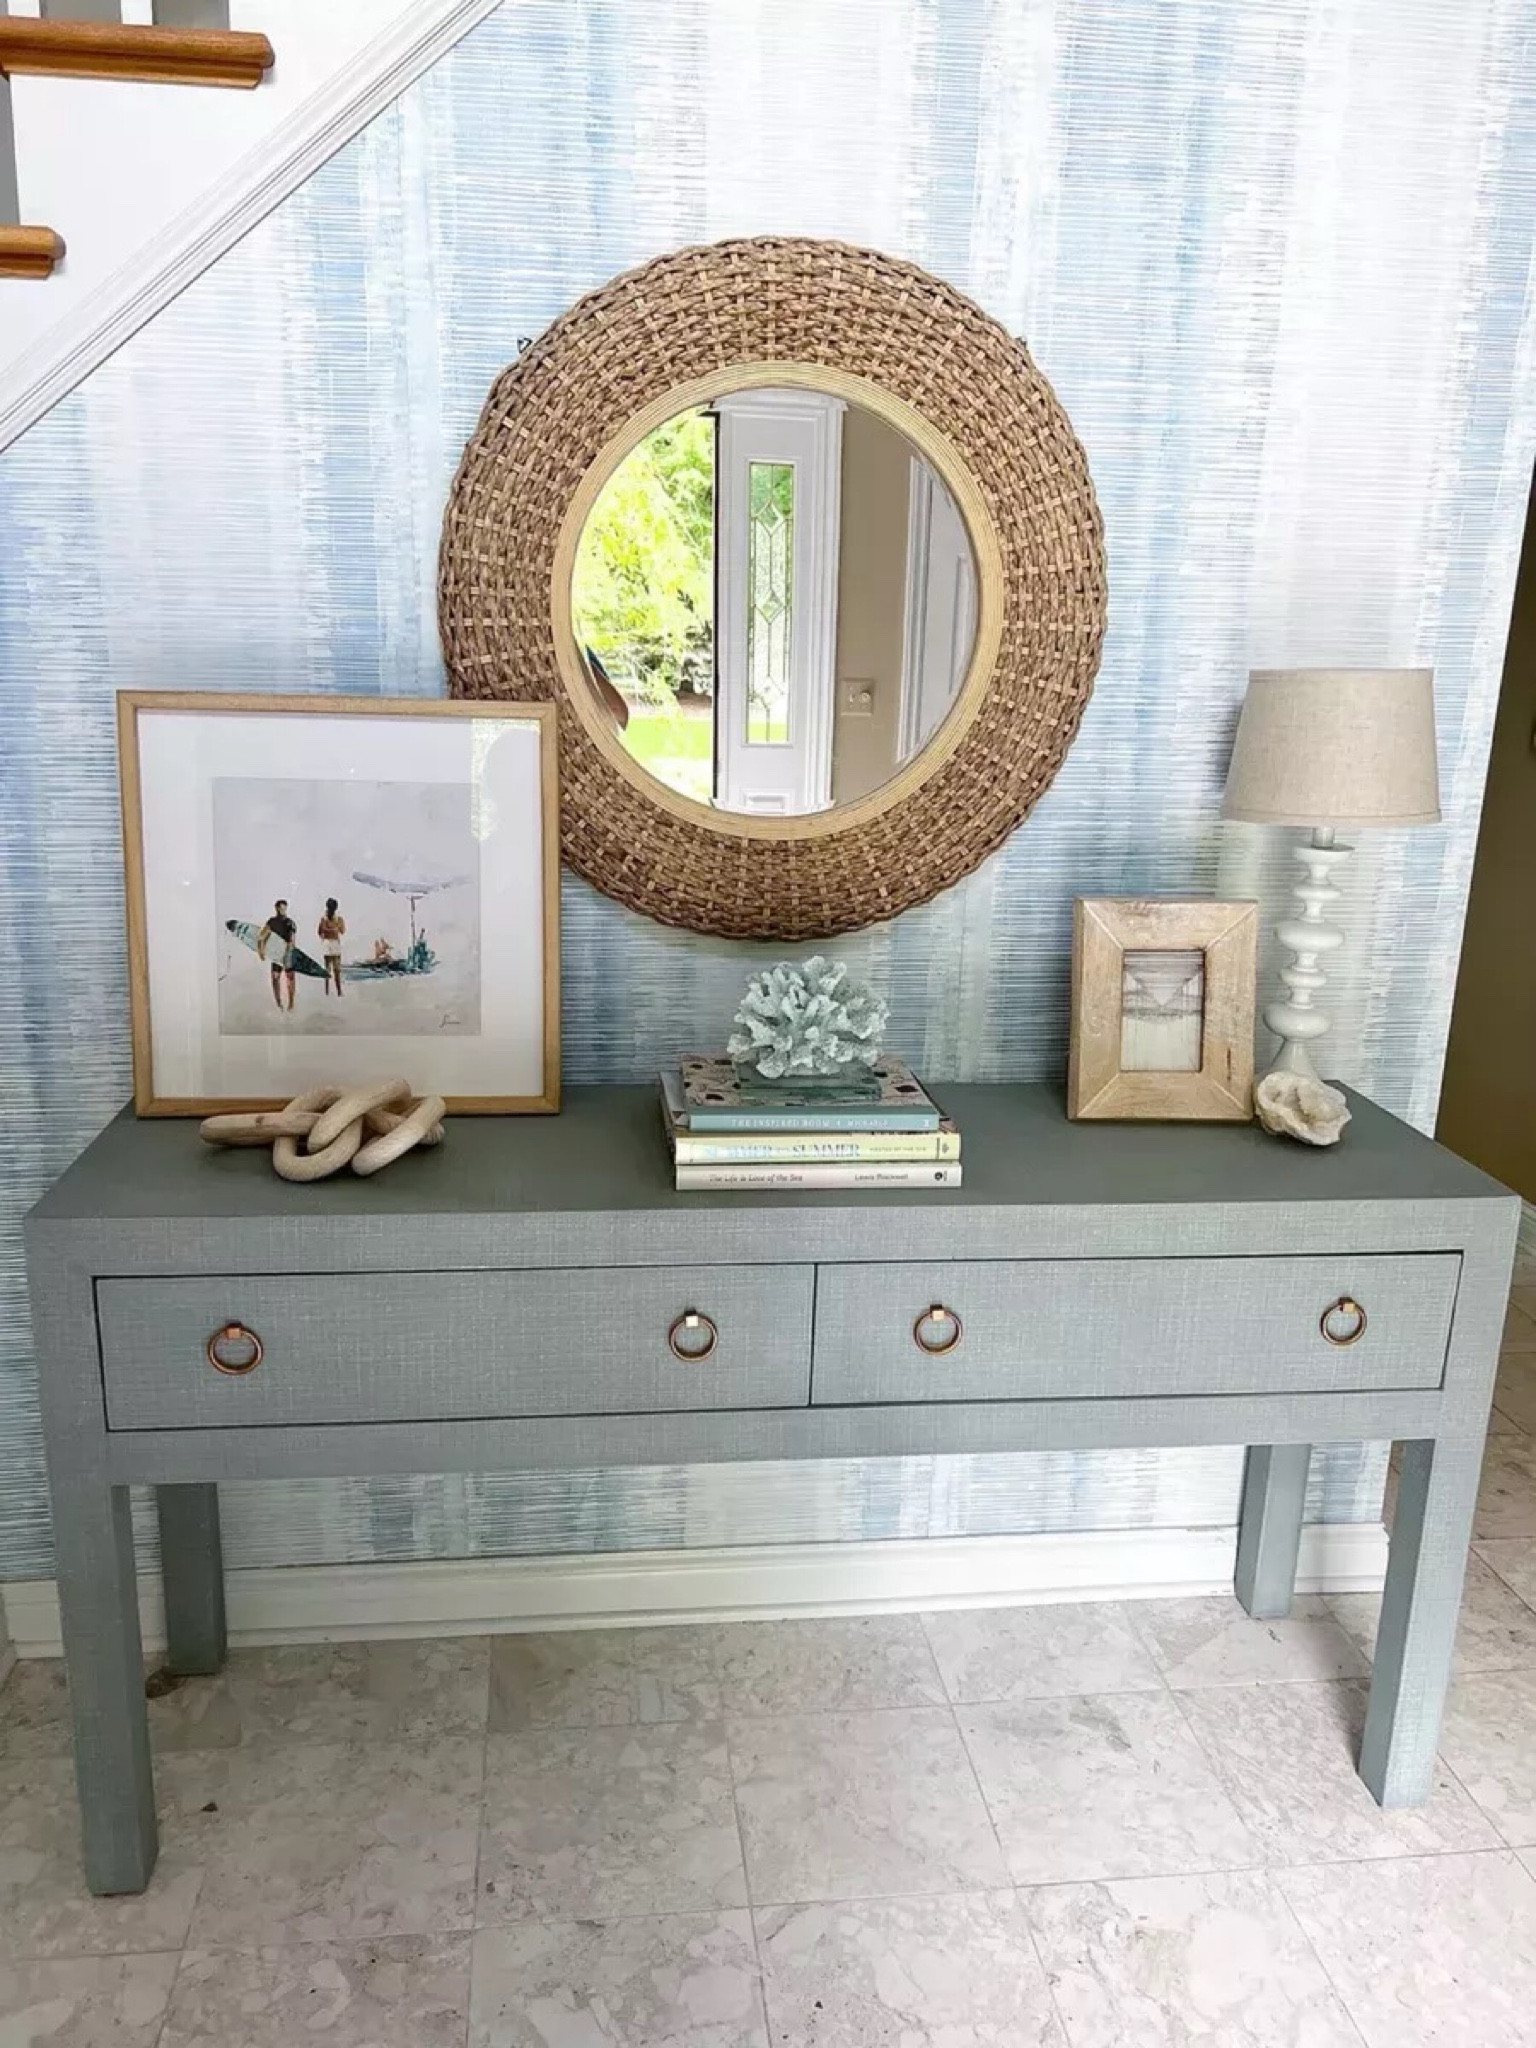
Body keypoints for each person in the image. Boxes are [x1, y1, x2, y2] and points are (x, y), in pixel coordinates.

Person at [256, 899, 298, 1012]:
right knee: (275, 978)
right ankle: (279, 1003)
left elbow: (292, 941)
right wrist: (261, 950)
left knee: (290, 978)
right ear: (276, 908)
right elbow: (262, 936)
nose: (282, 910)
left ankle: (291, 1003)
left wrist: (289, 953)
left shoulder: (290, 922)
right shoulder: (272, 922)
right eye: (280, 908)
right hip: (276, 953)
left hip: (287, 952)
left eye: (284, 908)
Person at [317, 898, 346, 997]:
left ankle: (333, 991)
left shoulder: (333, 918)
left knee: (334, 969)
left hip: (331, 943)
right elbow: (321, 931)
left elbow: (341, 930)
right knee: (331, 969)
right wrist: (334, 929)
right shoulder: (326, 919)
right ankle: (331, 992)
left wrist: (329, 930)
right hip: (330, 943)